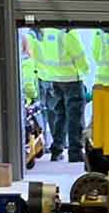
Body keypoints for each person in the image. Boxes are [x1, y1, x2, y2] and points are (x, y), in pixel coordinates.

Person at [30, 27, 90, 162]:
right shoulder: (68, 33)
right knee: (74, 117)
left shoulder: (42, 32)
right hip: (71, 80)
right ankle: (75, 153)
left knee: (59, 115)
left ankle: (56, 150)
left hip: (52, 79)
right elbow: (80, 58)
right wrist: (85, 71)